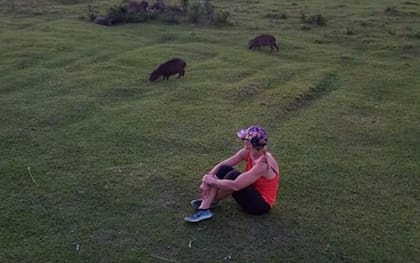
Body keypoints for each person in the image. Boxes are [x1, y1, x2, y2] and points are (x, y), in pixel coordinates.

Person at [184, 125, 280, 223]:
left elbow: (236, 185)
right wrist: (206, 180)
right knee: (222, 169)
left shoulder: (263, 165)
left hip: (260, 205)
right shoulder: (249, 152)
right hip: (252, 190)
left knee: (233, 176)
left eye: (244, 139)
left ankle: (205, 207)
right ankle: (208, 203)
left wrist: (212, 181)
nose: (243, 142)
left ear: (249, 144)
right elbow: (223, 164)